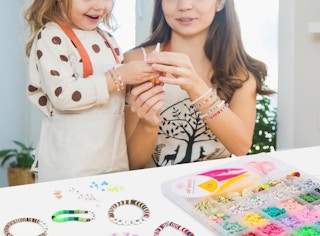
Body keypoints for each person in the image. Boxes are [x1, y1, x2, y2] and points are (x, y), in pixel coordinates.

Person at [124, 0, 275, 169]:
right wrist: (148, 125)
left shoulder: (241, 74)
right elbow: (132, 164)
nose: (184, 6)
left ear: (220, 3)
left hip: (214, 188)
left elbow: (241, 147)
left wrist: (195, 85)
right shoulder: (137, 62)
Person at [24, 0, 159, 182]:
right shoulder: (51, 37)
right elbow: (63, 96)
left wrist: (142, 81)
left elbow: (116, 96)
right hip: (70, 166)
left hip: (112, 161)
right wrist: (119, 76)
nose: (99, 5)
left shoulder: (108, 39)